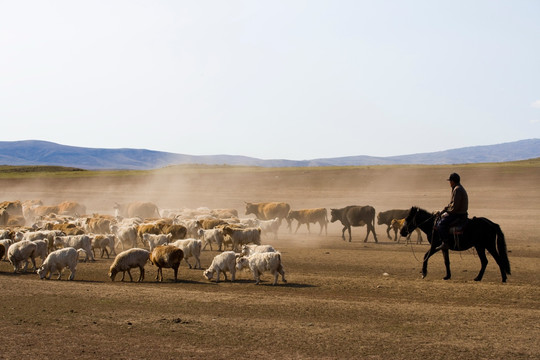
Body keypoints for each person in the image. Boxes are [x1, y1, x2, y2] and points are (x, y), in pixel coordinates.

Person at [435, 172, 468, 251]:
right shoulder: (458, 188)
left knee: (441, 224)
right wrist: (444, 210)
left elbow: (455, 207)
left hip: (458, 214)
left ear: (453, 181)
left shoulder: (457, 189)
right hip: (459, 213)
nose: (449, 183)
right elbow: (452, 204)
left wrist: (446, 212)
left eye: (450, 181)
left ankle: (445, 243)